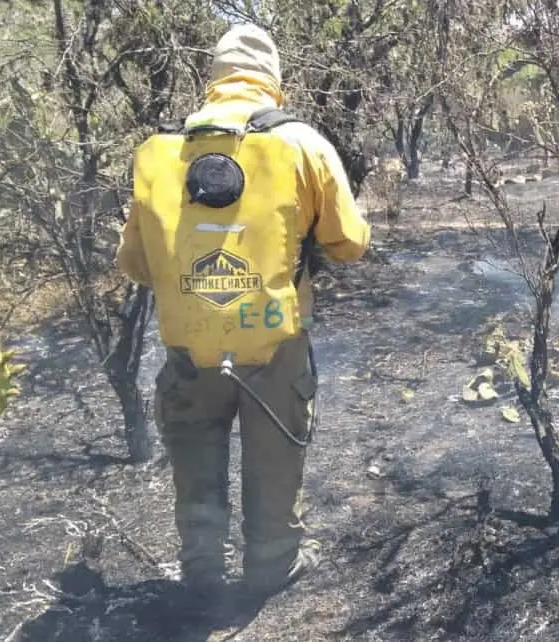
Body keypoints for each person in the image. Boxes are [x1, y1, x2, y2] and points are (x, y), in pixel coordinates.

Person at [114, 23, 370, 600]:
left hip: (189, 345)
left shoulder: (158, 151)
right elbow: (349, 244)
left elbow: (134, 264)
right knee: (274, 459)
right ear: (273, 78)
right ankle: (272, 567)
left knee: (195, 462)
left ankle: (203, 573)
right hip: (274, 343)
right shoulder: (301, 142)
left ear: (215, 76)